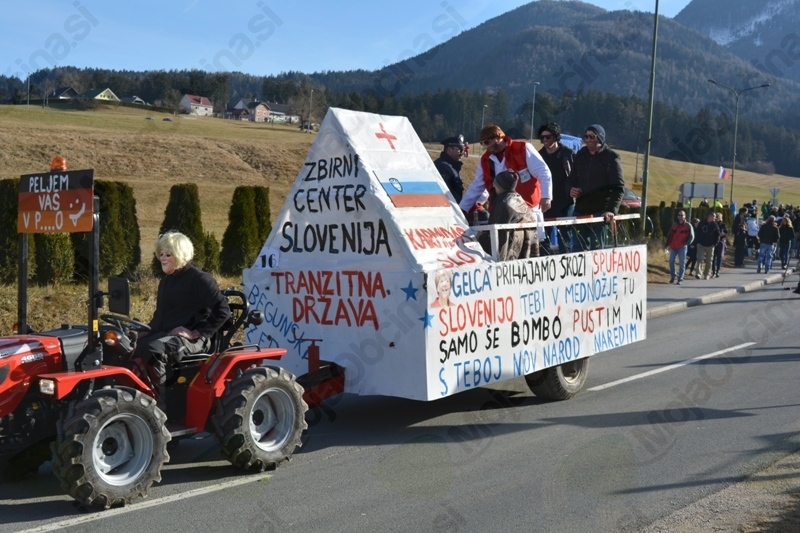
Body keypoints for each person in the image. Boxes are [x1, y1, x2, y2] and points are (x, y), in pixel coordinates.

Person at [136, 231, 231, 413]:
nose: (163, 259)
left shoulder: (200, 279)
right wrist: (145, 330)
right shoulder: (166, 282)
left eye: (168, 254)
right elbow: (160, 316)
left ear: (180, 255)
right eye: (161, 254)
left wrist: (195, 333)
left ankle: (159, 408)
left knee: (153, 349)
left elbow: (223, 311)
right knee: (129, 345)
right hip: (168, 335)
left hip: (195, 340)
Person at [459, 124, 552, 243]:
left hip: (528, 209)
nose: (485, 147)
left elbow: (543, 172)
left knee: (534, 244)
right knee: (504, 245)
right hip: (502, 212)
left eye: (486, 142)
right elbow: (476, 186)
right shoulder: (485, 160)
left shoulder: (523, 148)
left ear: (497, 138)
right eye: (482, 144)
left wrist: (546, 197)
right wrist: (462, 210)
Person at [565, 124, 625, 250]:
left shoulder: (612, 157)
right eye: (586, 137)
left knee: (597, 251)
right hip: (580, 210)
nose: (588, 139)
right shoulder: (580, 155)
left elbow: (619, 187)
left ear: (600, 138)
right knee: (577, 250)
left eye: (592, 136)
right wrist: (571, 189)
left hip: (600, 213)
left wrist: (611, 210)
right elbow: (570, 180)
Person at [478, 170, 539, 260]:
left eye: (496, 183)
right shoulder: (520, 200)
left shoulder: (504, 204)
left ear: (501, 186)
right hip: (525, 249)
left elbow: (495, 235)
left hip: (510, 255)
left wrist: (480, 238)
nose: (494, 186)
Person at [537, 122, 575, 254]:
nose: (545, 140)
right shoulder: (538, 156)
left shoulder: (568, 154)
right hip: (545, 202)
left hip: (565, 201)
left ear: (556, 137)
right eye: (542, 137)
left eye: (548, 137)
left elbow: (576, 175)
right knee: (543, 237)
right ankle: (544, 262)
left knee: (565, 236)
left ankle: (567, 262)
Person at [434, 134, 467, 204]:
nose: (462, 153)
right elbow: (446, 193)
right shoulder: (442, 166)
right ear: (449, 150)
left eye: (463, 150)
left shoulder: (451, 166)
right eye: (460, 149)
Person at [665, 210, 693, 284]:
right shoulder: (674, 225)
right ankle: (673, 276)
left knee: (682, 263)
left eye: (682, 215)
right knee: (671, 261)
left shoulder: (688, 226)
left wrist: (686, 243)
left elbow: (692, 236)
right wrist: (667, 244)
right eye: (679, 215)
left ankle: (680, 278)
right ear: (677, 216)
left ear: (685, 216)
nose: (680, 216)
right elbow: (670, 235)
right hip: (673, 246)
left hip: (682, 247)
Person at [695, 213, 720, 279]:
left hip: (710, 245)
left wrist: (715, 243)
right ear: (710, 216)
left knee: (709, 260)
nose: (715, 218)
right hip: (701, 244)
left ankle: (707, 274)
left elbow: (718, 234)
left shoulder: (715, 225)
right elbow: (697, 232)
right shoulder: (702, 223)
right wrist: (697, 242)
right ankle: (698, 273)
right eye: (714, 217)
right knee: (700, 259)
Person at [711, 212, 728, 278]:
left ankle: (718, 271)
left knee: (719, 257)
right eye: (715, 217)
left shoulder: (722, 225)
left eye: (717, 217)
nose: (716, 218)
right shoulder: (712, 224)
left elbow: (726, 232)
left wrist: (723, 234)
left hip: (720, 242)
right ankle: (713, 271)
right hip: (713, 242)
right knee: (713, 257)